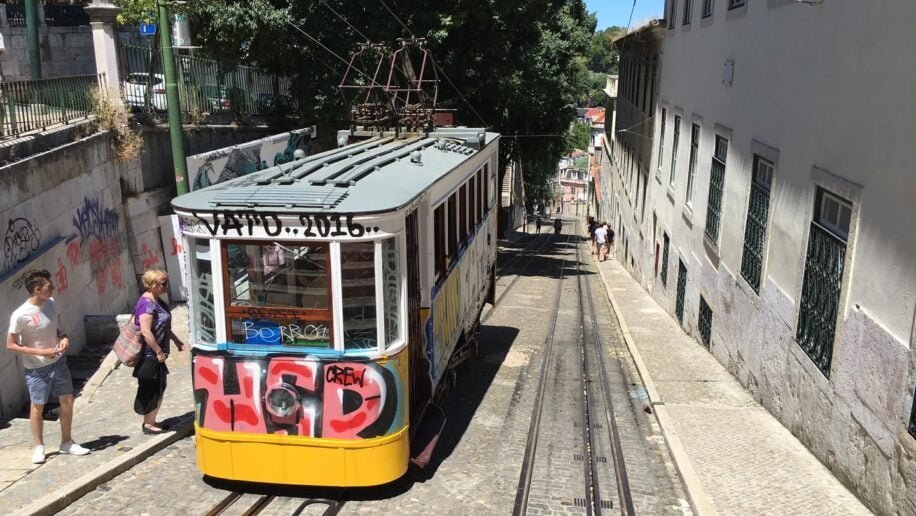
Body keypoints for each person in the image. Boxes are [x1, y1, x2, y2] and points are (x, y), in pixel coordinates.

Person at [6, 270, 90, 464]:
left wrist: (64, 336)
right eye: (49, 287)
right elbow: (10, 344)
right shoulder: (20, 314)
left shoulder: (50, 303)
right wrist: (40, 353)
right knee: (38, 406)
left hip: (58, 362)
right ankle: (39, 446)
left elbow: (54, 327)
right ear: (37, 289)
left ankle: (67, 442)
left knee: (67, 400)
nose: (53, 288)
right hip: (37, 368)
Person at [133, 269, 185, 435]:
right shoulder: (147, 304)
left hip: (157, 353)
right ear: (153, 285)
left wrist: (176, 340)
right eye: (163, 283)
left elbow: (163, 326)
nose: (166, 286)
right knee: (152, 388)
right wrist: (158, 352)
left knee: (159, 386)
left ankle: (152, 420)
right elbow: (147, 331)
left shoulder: (157, 301)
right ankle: (148, 424)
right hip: (149, 355)